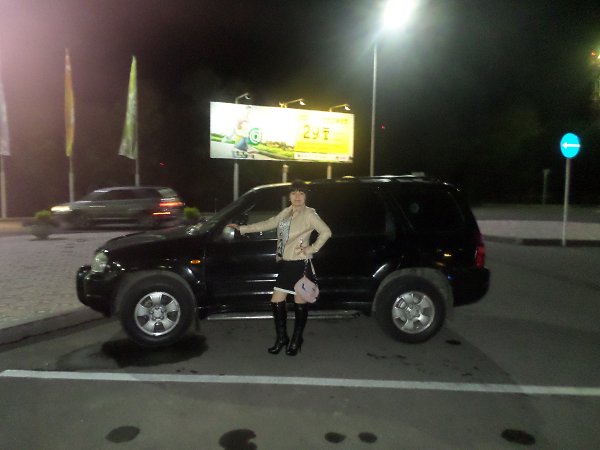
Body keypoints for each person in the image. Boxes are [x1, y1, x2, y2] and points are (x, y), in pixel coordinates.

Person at [227, 180, 331, 356]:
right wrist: (242, 229)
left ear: (306, 196)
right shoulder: (286, 212)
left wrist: (310, 249)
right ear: (289, 196)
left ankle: (296, 339)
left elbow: (326, 232)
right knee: (276, 301)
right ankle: (282, 338)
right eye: (294, 193)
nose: (297, 196)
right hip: (287, 263)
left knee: (299, 302)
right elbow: (267, 223)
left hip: (300, 263)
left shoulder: (309, 214)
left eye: (301, 193)